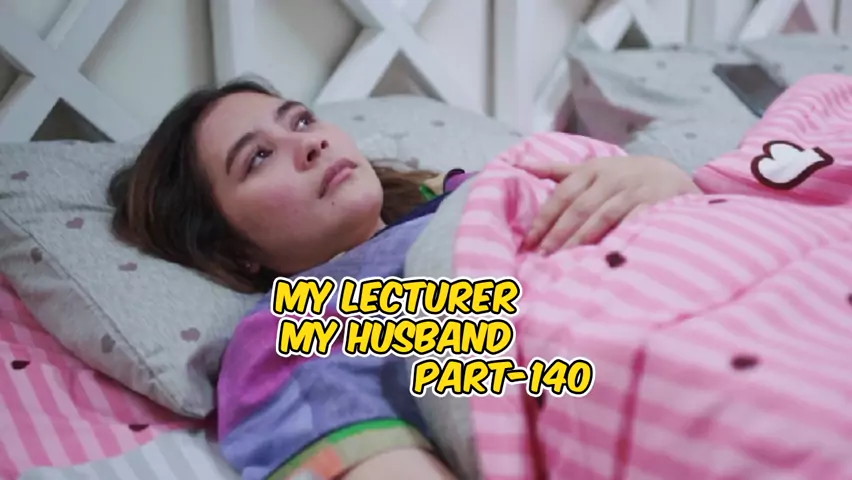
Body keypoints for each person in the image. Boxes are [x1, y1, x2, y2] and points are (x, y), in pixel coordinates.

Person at [108, 79, 699, 479]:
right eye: (257, 157)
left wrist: (660, 179)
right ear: (234, 250)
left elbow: (699, 218)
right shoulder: (291, 329)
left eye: (302, 120)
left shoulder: (481, 189)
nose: (309, 143)